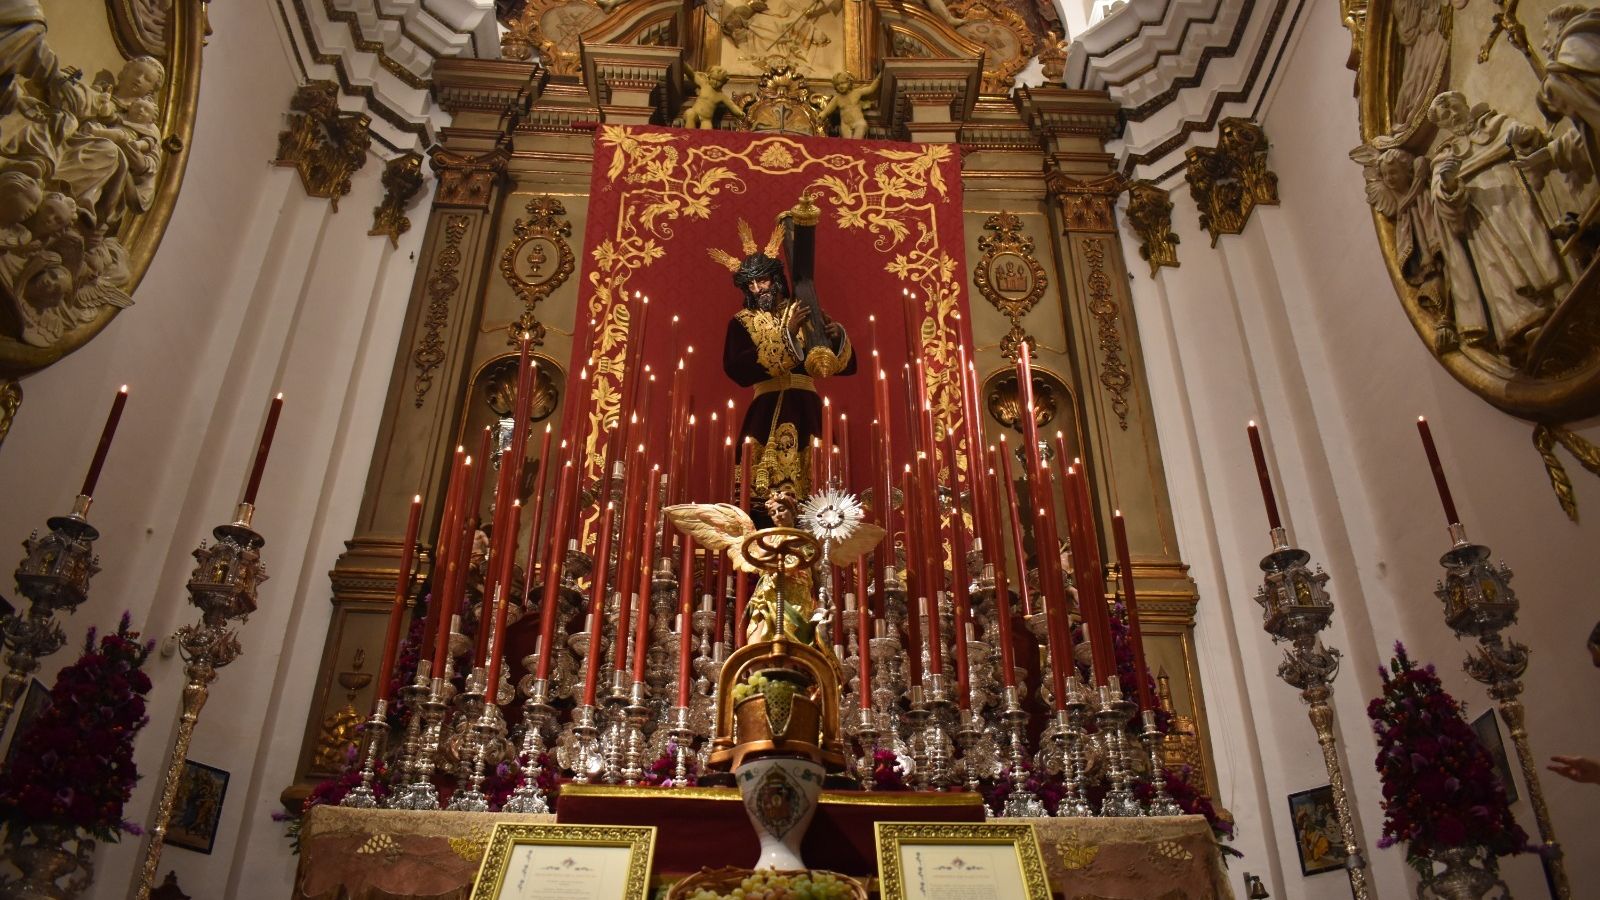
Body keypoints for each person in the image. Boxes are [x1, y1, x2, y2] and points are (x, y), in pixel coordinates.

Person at [711, 195, 855, 512]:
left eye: (763, 281)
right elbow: (736, 367)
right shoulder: (742, 323)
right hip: (764, 412)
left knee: (817, 497)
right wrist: (787, 335)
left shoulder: (801, 308)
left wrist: (834, 336)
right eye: (750, 286)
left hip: (808, 410)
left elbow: (832, 365)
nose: (758, 290)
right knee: (757, 500)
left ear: (776, 279)